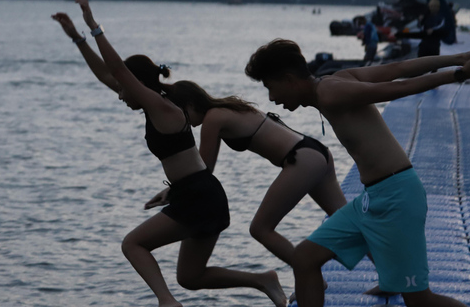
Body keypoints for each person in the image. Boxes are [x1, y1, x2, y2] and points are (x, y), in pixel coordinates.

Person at [51, 0, 287, 307]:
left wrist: (93, 25)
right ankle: (264, 280)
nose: (119, 95)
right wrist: (76, 38)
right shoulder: (154, 106)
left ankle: (165, 300)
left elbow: (117, 70)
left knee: (133, 244)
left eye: (124, 90)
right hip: (196, 193)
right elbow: (109, 76)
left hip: (199, 196)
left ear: (139, 85)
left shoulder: (164, 109)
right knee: (191, 276)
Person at [245, 39, 470, 307]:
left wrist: (458, 73)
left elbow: (395, 87)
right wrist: (461, 57)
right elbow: (398, 68)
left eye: (270, 87)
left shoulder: (330, 91)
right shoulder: (335, 81)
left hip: (397, 196)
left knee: (419, 300)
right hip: (373, 199)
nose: (272, 98)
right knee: (305, 258)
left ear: (290, 80)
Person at [145, 80, 347, 273]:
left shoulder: (213, 118)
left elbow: (202, 172)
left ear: (190, 104)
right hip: (315, 151)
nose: (185, 123)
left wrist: (173, 191)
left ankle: (311, 277)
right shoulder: (228, 107)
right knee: (350, 223)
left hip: (301, 159)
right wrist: (171, 190)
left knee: (260, 229)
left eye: (184, 115)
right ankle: (380, 274)